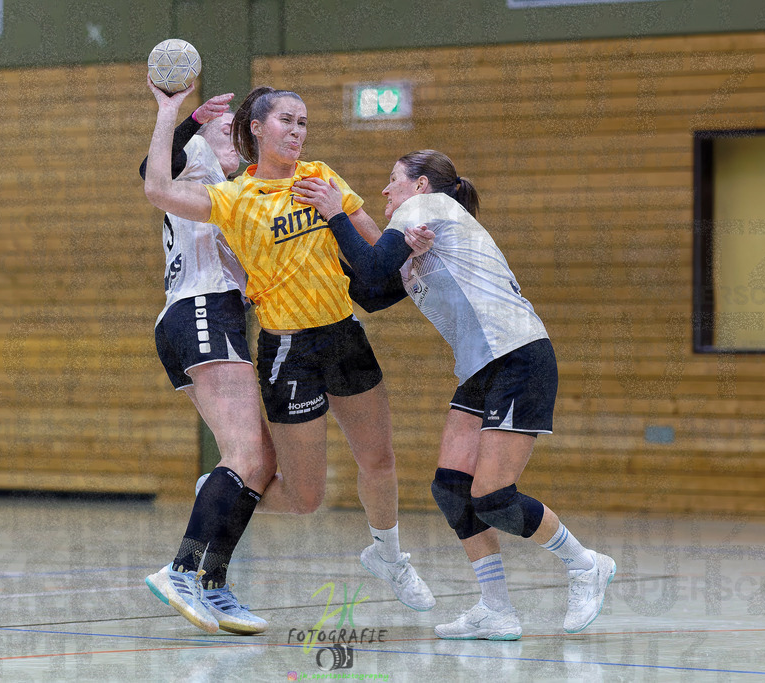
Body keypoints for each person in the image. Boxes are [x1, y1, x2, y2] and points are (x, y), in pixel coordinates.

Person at [292, 149, 616, 640]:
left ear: (420, 185)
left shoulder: (425, 210)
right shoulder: (421, 231)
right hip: (482, 367)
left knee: (494, 496)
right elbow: (373, 292)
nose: (385, 190)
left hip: (517, 355)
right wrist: (320, 238)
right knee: (450, 488)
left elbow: (376, 268)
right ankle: (497, 609)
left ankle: (585, 563)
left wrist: (338, 212)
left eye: (393, 180)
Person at [143, 79, 435, 613]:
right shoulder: (234, 197)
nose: (298, 132)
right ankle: (223, 491)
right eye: (286, 121)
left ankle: (390, 556)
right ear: (256, 128)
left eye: (303, 123)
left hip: (344, 335)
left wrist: (411, 247)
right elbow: (158, 188)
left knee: (381, 459)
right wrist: (170, 113)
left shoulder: (321, 177)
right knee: (305, 499)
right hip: (287, 351)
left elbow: (376, 246)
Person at [140, 91, 277, 636]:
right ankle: (180, 571)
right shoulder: (195, 158)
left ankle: (214, 582)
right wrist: (178, 116)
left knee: (259, 461)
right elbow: (150, 171)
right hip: (200, 309)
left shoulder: (237, 190)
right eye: (229, 133)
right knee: (247, 453)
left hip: (206, 316)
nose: (237, 143)